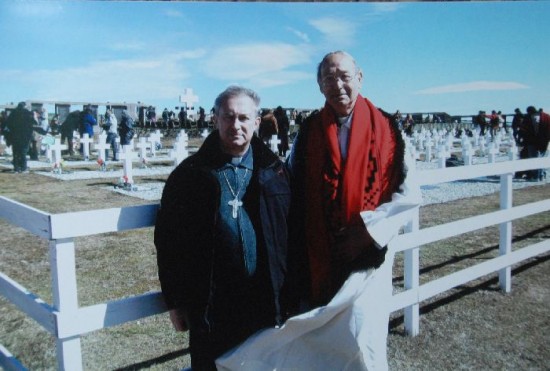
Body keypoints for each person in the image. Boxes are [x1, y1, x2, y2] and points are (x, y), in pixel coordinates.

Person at [278, 51, 421, 370]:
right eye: (328, 78)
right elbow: (292, 185)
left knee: (363, 341)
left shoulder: (388, 129)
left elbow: (409, 193)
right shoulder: (309, 131)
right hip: (320, 255)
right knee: (320, 343)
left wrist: (368, 233)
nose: (337, 84)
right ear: (319, 85)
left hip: (368, 262)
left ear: (360, 77)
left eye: (344, 76)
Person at [154, 85, 291, 370]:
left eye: (243, 118)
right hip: (212, 304)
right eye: (228, 117)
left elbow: (291, 233)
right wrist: (175, 302)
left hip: (264, 300)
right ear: (215, 119)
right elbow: (168, 242)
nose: (236, 125)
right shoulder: (190, 175)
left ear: (256, 122)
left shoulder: (274, 170)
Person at [3, 102, 35, 173]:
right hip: (25, 137)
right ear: (25, 106)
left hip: (15, 136)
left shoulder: (13, 113)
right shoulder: (27, 113)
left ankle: (16, 168)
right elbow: (33, 124)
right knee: (23, 153)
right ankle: (23, 168)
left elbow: (8, 124)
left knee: (16, 153)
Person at [519, 106, 549, 181]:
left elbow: (523, 129)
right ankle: (541, 174)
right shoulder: (546, 116)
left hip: (532, 141)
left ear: (529, 111)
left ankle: (536, 176)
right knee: (542, 158)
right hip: (544, 141)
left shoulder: (527, 118)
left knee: (533, 158)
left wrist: (521, 140)